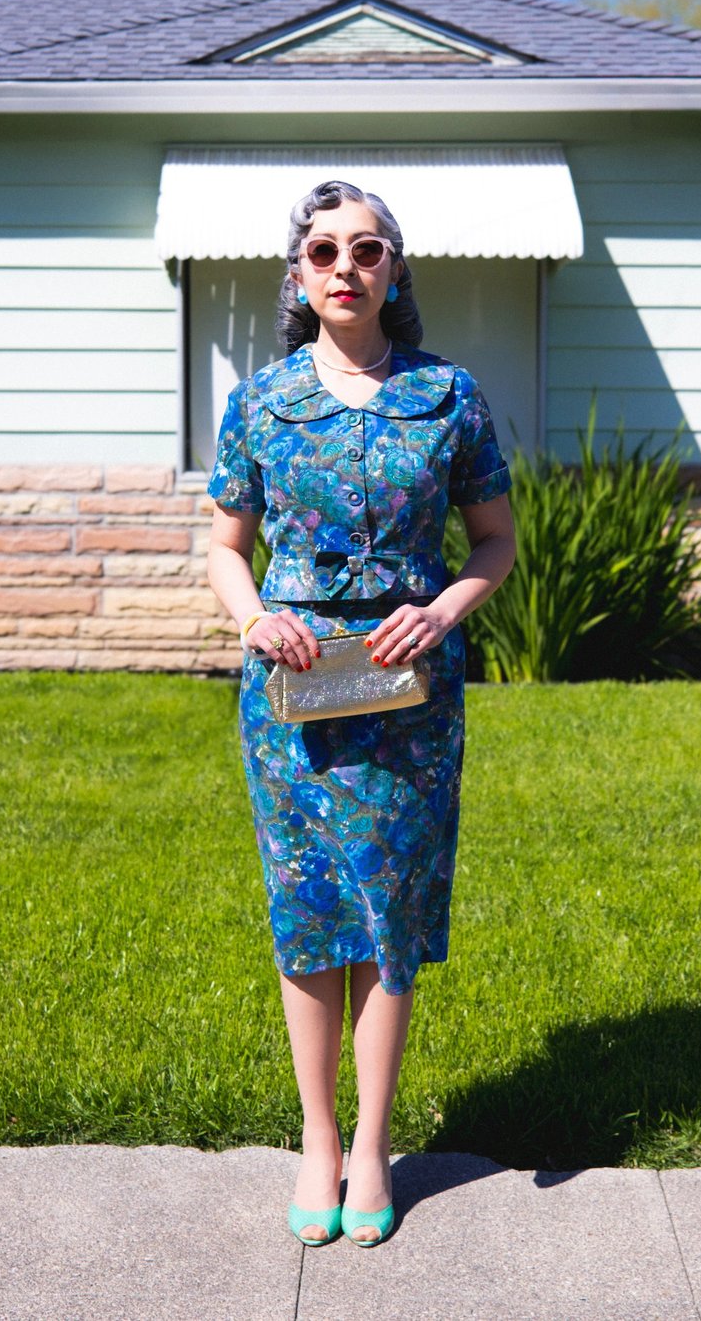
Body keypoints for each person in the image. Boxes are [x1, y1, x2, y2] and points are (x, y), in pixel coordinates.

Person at [206, 179, 516, 1248]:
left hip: (408, 694)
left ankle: (374, 1144)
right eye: (326, 250)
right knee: (307, 915)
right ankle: (317, 1140)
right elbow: (223, 549)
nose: (348, 267)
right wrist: (252, 622)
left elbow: (495, 543)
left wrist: (441, 611)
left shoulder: (450, 397)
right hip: (293, 696)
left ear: (395, 270)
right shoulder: (258, 403)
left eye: (369, 250)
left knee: (388, 913)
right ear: (297, 272)